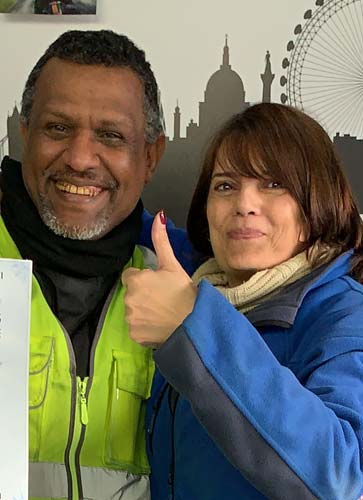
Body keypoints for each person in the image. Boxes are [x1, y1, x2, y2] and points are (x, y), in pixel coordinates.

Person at [122, 103, 363, 500]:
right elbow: (114, 220)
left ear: (315, 202)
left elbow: (339, 475)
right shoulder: (210, 282)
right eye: (225, 186)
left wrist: (194, 326)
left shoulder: (347, 315)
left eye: (273, 184)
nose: (244, 204)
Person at [0, 29, 195, 500]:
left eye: (110, 135)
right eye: (58, 129)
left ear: (151, 156)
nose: (81, 159)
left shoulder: (194, 278)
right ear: (24, 134)